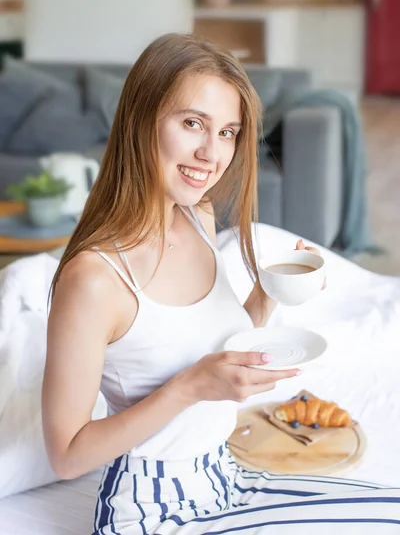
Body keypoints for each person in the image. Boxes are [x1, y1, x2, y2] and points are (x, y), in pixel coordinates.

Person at [42, 33, 400, 534]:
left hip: (224, 475)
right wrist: (187, 389)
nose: (212, 153)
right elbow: (66, 457)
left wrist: (269, 293)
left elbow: (216, 348)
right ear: (141, 118)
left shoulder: (197, 217)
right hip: (150, 509)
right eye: (193, 124)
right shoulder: (95, 279)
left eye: (229, 132)